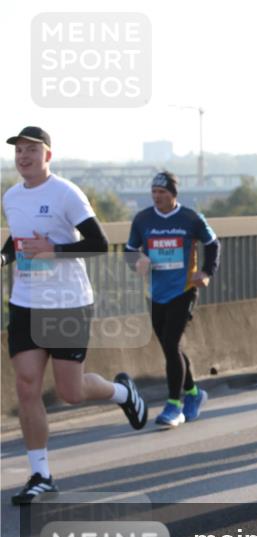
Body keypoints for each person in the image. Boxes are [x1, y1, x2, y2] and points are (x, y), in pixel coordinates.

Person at [2, 126, 148, 504]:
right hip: (25, 302)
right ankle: (41, 474)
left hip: (66, 303)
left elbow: (98, 243)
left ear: (48, 156)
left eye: (32, 150)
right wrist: (3, 257)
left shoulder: (66, 193)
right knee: (27, 386)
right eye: (19, 151)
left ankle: (121, 392)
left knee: (71, 392)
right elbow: (16, 240)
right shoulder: (11, 196)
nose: (24, 156)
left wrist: (54, 250)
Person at [125, 172, 218, 427]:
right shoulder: (143, 219)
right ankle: (194, 393)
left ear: (173, 194)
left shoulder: (191, 218)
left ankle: (174, 406)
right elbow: (130, 250)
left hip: (184, 289)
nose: (157, 197)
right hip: (156, 292)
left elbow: (213, 244)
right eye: (154, 192)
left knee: (171, 342)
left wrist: (206, 272)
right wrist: (137, 262)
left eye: (162, 193)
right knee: (169, 347)